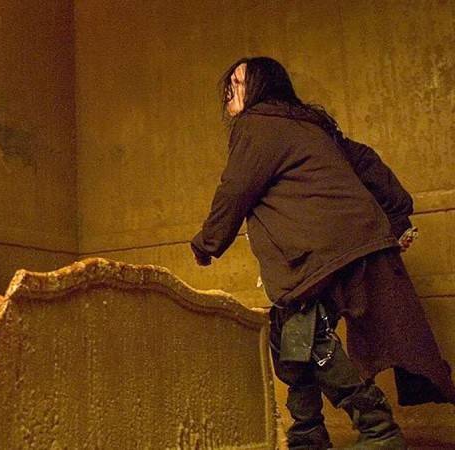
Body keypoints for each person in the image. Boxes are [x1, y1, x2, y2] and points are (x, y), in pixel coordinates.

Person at [191, 57, 455, 449]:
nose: (230, 90)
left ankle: (379, 429)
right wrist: (397, 216)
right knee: (288, 333)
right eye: (229, 82)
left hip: (322, 250)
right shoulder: (310, 125)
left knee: (306, 337)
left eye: (240, 82)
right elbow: (366, 161)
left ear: (263, 87)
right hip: (354, 242)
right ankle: (308, 432)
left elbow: (236, 189)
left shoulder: (257, 124)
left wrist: (207, 243)